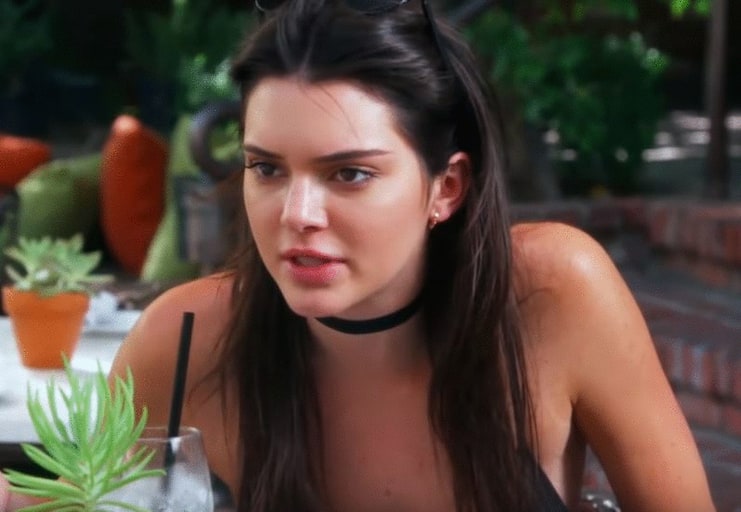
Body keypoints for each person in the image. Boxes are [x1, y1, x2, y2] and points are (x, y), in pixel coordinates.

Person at [1, 0, 715, 510]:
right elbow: (75, 502)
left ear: (446, 187)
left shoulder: (550, 294)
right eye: (266, 168)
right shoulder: (185, 338)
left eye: (349, 173)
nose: (296, 215)